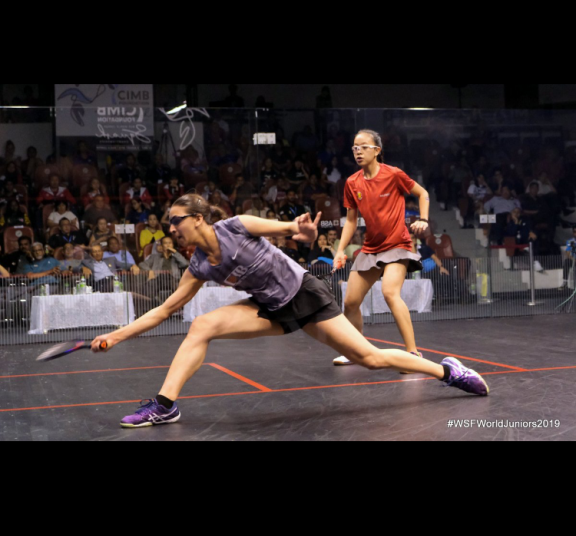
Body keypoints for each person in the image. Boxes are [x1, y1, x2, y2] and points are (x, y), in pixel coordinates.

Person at [89, 194, 490, 429]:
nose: (171, 228)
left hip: (305, 294)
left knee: (369, 358)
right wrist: (116, 335)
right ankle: (164, 404)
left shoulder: (236, 226)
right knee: (203, 325)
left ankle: (448, 371)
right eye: (169, 224)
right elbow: (164, 310)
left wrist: (307, 233)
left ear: (197, 218)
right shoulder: (199, 267)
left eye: (176, 221)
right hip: (269, 309)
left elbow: (291, 230)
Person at [331, 130, 428, 368]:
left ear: (377, 150)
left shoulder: (393, 174)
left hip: (397, 245)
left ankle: (413, 353)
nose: (358, 152)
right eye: (355, 148)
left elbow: (422, 193)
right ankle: (357, 351)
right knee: (351, 302)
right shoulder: (352, 182)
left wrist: (423, 220)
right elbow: (351, 220)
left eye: (363, 147)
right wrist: (340, 250)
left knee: (389, 293)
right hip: (371, 248)